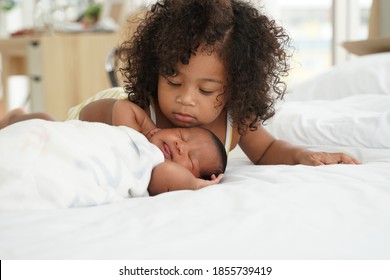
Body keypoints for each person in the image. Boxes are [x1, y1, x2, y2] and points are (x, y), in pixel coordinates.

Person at [0, 0, 360, 166]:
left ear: (236, 86)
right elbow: (115, 120)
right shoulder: (141, 109)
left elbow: (266, 151)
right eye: (173, 81)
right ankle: (16, 117)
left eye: (206, 90)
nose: (186, 100)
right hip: (105, 114)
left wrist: (300, 155)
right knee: (48, 130)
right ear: (155, 69)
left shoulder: (239, 119)